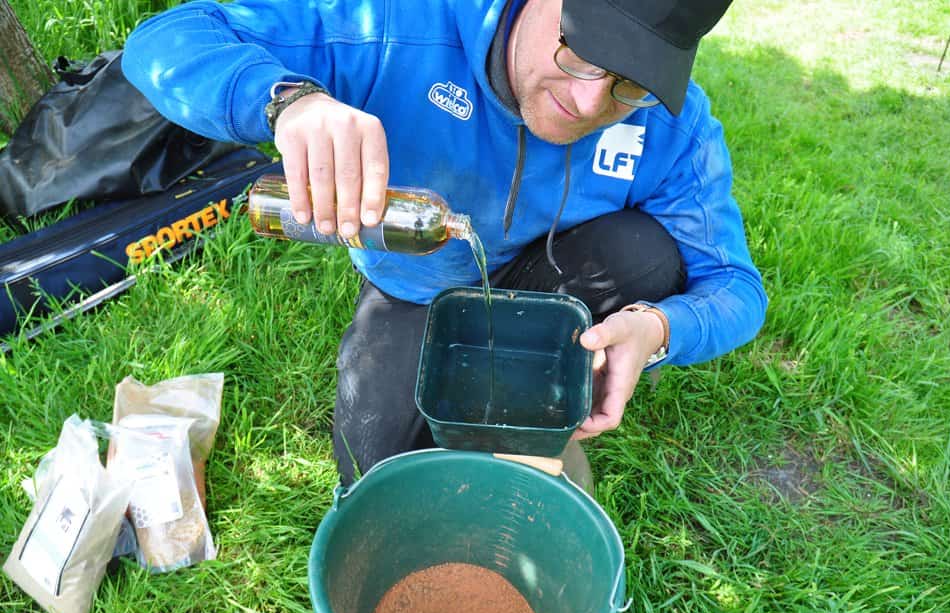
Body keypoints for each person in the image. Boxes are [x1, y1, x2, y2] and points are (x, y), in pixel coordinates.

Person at [123, 0, 767, 484]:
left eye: (628, 81)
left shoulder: (672, 125)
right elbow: (165, 40)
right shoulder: (396, 23)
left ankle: (530, 396)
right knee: (373, 470)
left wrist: (658, 329)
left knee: (645, 254)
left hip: (553, 284)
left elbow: (736, 288)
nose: (588, 99)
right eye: (579, 49)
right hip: (416, 289)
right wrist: (289, 101)